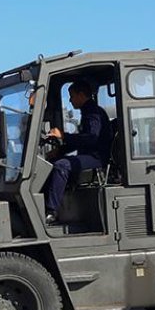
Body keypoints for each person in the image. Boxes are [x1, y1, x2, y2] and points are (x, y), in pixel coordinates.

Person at [42, 79, 112, 223]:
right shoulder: (87, 112)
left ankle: (51, 212)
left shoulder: (93, 113)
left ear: (81, 95)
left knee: (62, 165)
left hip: (97, 157)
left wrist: (63, 135)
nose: (70, 100)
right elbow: (82, 139)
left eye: (72, 96)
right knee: (52, 163)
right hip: (89, 154)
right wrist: (60, 150)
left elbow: (91, 139)